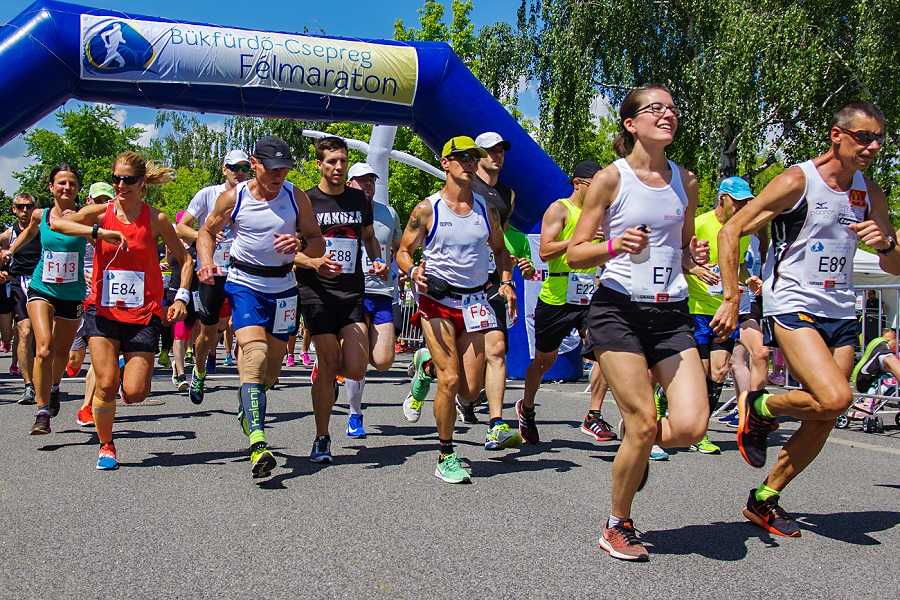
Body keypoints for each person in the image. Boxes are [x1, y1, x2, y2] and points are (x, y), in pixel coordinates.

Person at [714, 100, 900, 538]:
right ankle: (759, 405)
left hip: (840, 309)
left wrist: (888, 245)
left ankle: (764, 497)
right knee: (836, 397)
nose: (873, 146)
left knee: (825, 414)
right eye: (864, 137)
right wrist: (730, 293)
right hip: (793, 302)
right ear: (837, 136)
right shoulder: (799, 181)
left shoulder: (870, 193)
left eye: (879, 139)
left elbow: (895, 267)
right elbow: (730, 229)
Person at [566, 84, 710, 561]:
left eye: (672, 108)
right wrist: (614, 246)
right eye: (655, 109)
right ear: (631, 124)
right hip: (618, 309)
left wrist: (696, 257)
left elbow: (683, 248)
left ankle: (637, 448)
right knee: (644, 420)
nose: (667, 115)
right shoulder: (612, 179)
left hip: (671, 313)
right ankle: (617, 524)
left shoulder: (685, 181)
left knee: (690, 426)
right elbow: (575, 252)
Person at [53, 151, 193, 470]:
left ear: (142, 183)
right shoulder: (100, 214)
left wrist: (182, 296)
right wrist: (97, 233)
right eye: (116, 178)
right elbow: (57, 222)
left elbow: (185, 260)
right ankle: (107, 445)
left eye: (128, 179)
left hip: (143, 316)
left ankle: (119, 376)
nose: (120, 184)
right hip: (102, 312)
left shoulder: (156, 219)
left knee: (135, 392)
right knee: (104, 384)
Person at [198, 135, 324, 478]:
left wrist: (299, 241)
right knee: (252, 357)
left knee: (270, 370)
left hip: (284, 288)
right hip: (245, 284)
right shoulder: (233, 197)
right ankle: (258, 442)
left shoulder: (295, 196)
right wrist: (206, 262)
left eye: (284, 168)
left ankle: (248, 406)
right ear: (255, 164)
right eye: (272, 168)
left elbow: (317, 242)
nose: (278, 174)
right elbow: (206, 232)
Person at [396, 135, 517, 484]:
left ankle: (425, 366)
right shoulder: (427, 209)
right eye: (460, 157)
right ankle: (446, 453)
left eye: (471, 157)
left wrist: (506, 281)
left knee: (469, 390)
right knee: (450, 380)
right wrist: (413, 270)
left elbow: (500, 250)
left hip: (475, 302)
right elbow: (403, 251)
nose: (467, 162)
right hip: (437, 302)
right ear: (446, 163)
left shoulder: (486, 210)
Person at [295, 137, 385, 462]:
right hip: (316, 293)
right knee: (331, 361)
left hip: (350, 293)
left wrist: (376, 258)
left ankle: (325, 374)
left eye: (342, 161)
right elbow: (291, 253)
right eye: (331, 161)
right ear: (319, 163)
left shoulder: (359, 199)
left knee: (356, 368)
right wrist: (314, 262)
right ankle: (322, 437)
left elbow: (369, 238)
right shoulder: (305, 200)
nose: (337, 167)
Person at [517, 159, 615, 445]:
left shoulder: (599, 214)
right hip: (556, 296)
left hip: (589, 295)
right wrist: (578, 240)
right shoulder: (560, 209)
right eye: (594, 184)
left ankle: (593, 415)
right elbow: (545, 251)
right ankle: (527, 407)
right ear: (578, 183)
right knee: (544, 360)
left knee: (605, 352)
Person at [666, 176, 755, 455]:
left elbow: (737, 266)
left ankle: (700, 431)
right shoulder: (701, 224)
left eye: (746, 202)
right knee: (699, 372)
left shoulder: (744, 231)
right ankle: (664, 407)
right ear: (723, 199)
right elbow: (677, 257)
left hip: (724, 310)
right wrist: (693, 269)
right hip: (695, 308)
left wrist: (749, 279)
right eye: (737, 202)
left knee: (718, 371)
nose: (742, 207)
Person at [7, 165, 88, 434]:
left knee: (61, 353)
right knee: (43, 348)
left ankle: (54, 387)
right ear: (51, 187)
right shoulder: (40, 215)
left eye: (71, 183)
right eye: (61, 183)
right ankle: (42, 412)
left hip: (72, 292)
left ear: (77, 189)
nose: (66, 187)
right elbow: (28, 233)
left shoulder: (84, 217)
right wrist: (9, 252)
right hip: (42, 287)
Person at [177, 150, 251, 404]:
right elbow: (181, 226)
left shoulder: (254, 196)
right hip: (212, 271)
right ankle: (199, 371)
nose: (239, 173)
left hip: (242, 272)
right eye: (234, 168)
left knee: (244, 332)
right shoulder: (208, 194)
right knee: (208, 333)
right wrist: (202, 235)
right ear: (224, 169)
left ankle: (247, 392)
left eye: (244, 168)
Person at [342, 162, 401, 438]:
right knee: (359, 358)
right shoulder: (342, 210)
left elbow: (399, 249)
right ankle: (355, 414)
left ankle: (331, 363)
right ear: (350, 182)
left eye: (371, 180)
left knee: (383, 360)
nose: (368, 185)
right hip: (352, 290)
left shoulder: (389, 213)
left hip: (382, 292)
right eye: (362, 180)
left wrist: (399, 269)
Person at [0, 193, 40, 404]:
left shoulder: (44, 230)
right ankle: (28, 386)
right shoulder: (9, 234)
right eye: (20, 207)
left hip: (43, 283)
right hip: (18, 284)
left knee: (44, 336)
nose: (25, 211)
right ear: (13, 209)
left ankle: (47, 380)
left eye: (29, 206)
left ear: (35, 207)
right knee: (24, 331)